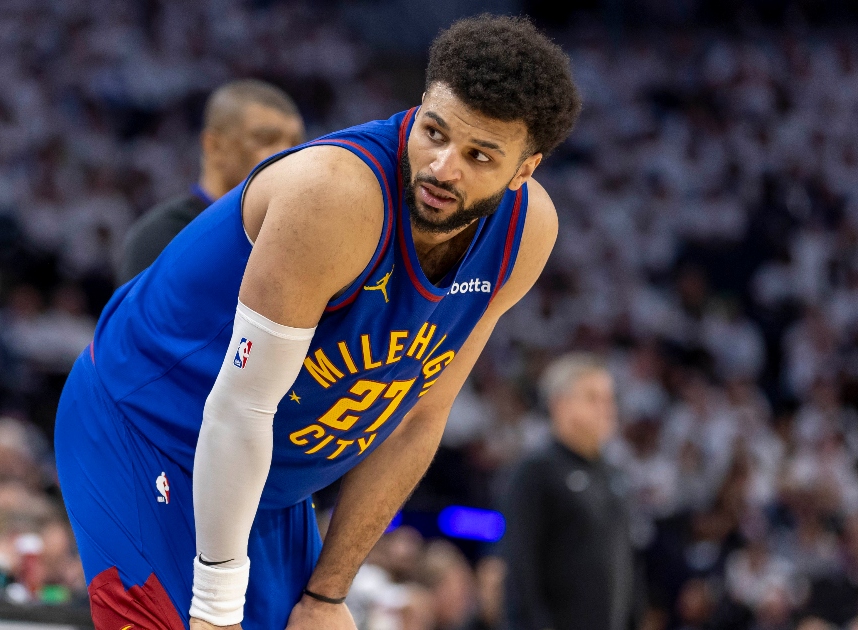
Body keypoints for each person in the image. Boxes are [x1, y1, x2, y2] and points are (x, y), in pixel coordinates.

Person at [54, 14, 580, 630]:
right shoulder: (336, 197)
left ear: (524, 170)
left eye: (478, 155)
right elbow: (240, 407)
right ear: (419, 106)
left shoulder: (525, 233)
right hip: (147, 431)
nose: (442, 167)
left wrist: (327, 596)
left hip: (265, 475)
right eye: (433, 132)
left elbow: (418, 416)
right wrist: (217, 609)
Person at [501, 354, 640, 630]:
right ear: (560, 405)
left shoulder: (615, 475)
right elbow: (520, 569)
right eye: (592, 398)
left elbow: (627, 563)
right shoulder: (535, 472)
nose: (607, 408)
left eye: (609, 399)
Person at [116, 79, 304, 283]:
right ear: (214, 147)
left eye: (295, 143)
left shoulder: (298, 235)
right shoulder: (163, 237)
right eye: (266, 140)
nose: (287, 153)